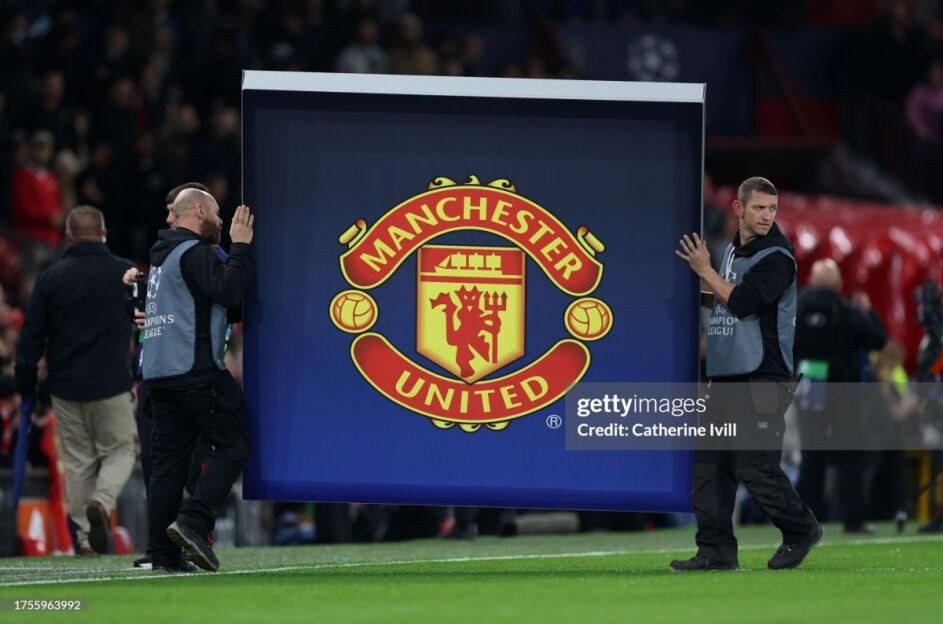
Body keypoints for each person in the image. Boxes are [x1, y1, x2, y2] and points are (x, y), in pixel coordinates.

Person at [673, 176, 821, 571]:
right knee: (710, 467)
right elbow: (726, 300)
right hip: (728, 376)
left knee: (755, 467)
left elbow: (741, 302)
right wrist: (687, 294)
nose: (767, 216)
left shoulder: (778, 257)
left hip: (762, 377)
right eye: (759, 208)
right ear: (739, 209)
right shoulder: (735, 251)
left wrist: (704, 270)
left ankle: (801, 529)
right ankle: (715, 550)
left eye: (772, 208)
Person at [142, 188, 253, 572]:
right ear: (201, 211)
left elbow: (220, 305)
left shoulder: (162, 259)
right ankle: (194, 521)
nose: (222, 222)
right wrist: (241, 248)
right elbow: (228, 291)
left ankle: (162, 553)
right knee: (236, 443)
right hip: (195, 370)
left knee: (169, 466)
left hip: (159, 375)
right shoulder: (194, 251)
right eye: (219, 214)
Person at [14, 206, 136, 555]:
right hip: (112, 384)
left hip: (65, 388)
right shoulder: (125, 272)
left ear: (68, 237)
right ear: (104, 234)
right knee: (121, 451)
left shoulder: (50, 278)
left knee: (79, 462)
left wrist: (27, 386)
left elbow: (30, 339)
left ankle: (84, 540)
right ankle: (102, 501)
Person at [125, 181, 219, 570]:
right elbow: (157, 319)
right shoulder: (162, 263)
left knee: (189, 465)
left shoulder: (206, 256)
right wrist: (139, 296)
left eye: (172, 210)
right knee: (160, 466)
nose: (167, 218)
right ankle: (162, 547)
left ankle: (193, 534)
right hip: (159, 374)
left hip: (190, 373)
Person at [794, 259, 887, 533]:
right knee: (849, 454)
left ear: (811, 281)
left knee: (811, 455)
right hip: (843, 387)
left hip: (810, 385)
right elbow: (877, 340)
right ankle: (853, 518)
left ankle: (807, 520)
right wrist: (868, 313)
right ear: (838, 283)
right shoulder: (847, 310)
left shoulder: (796, 309)